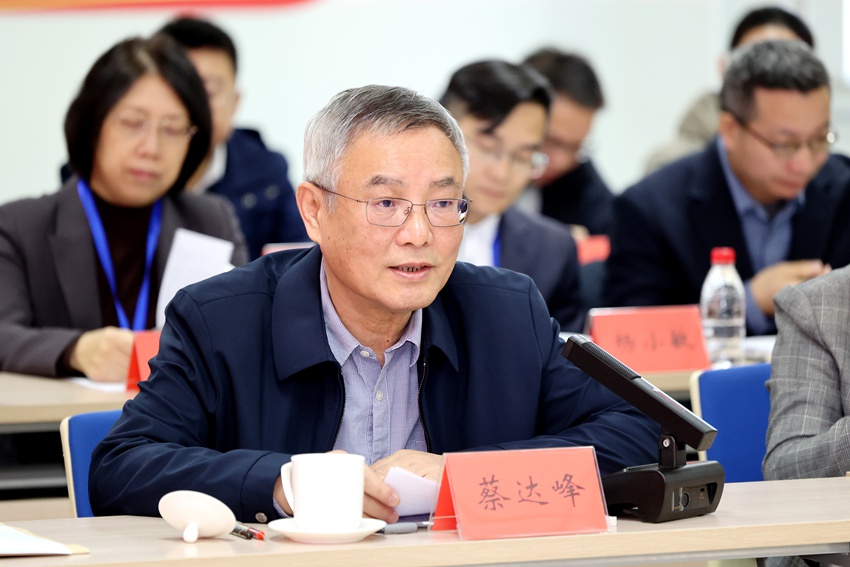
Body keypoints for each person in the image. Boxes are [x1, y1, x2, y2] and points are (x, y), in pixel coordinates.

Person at [89, 85, 659, 524]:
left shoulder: (506, 312)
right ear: (314, 211)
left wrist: (461, 474)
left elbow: (641, 430)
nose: (419, 233)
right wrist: (281, 481)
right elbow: (121, 466)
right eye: (386, 203)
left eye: (443, 204)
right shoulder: (221, 319)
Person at [0, 34, 248, 381]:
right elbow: (4, 334)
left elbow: (245, 332)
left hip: (179, 417)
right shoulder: (20, 226)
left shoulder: (210, 220)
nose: (151, 148)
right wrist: (75, 350)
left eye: (173, 128)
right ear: (92, 123)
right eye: (133, 123)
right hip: (65, 416)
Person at [603, 40, 850, 336]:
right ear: (730, 129)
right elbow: (632, 338)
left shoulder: (843, 189)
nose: (804, 163)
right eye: (784, 144)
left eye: (819, 139)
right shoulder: (650, 209)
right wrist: (746, 302)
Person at [439, 59, 585, 332]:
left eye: (522, 157)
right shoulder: (396, 230)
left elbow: (563, 352)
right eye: (488, 147)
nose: (502, 173)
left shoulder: (552, 250)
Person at [158, 16, 309, 260]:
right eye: (181, 89)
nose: (193, 105)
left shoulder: (266, 172)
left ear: (235, 102)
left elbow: (298, 261)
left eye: (208, 92)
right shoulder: (133, 168)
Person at [644, 6, 815, 174]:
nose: (771, 81)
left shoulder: (825, 172)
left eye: (788, 68)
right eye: (754, 63)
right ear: (724, 67)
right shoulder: (670, 170)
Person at [519, 48, 613, 240]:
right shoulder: (467, 169)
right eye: (551, 141)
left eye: (576, 147)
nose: (561, 162)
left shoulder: (584, 186)